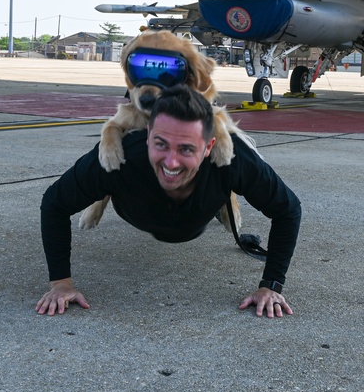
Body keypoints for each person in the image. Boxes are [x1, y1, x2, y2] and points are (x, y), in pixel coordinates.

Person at [36, 84, 301, 318]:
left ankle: (226, 199)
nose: (171, 162)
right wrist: (61, 283)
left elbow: (287, 210)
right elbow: (54, 204)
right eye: (161, 144)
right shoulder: (122, 155)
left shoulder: (231, 156)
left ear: (209, 147)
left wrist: (271, 285)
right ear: (148, 134)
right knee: (105, 177)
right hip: (135, 209)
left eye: (186, 148)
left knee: (224, 177)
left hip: (199, 212)